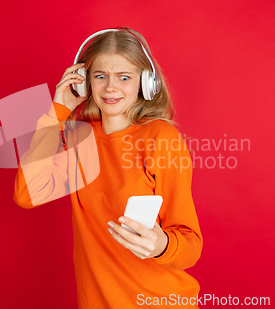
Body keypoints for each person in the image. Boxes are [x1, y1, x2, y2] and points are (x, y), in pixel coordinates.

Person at [13, 27, 202, 308]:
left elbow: (190, 246)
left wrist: (161, 245)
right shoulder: (80, 139)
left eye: (124, 77)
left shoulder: (161, 138)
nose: (111, 87)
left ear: (145, 83)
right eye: (100, 76)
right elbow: (27, 194)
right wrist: (58, 111)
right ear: (84, 83)